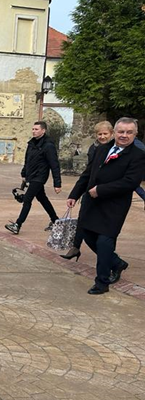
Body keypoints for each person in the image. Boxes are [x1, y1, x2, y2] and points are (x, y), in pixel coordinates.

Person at [67, 117, 145, 294]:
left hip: (114, 206)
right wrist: (74, 194)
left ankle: (102, 282)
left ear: (135, 134)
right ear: (115, 132)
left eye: (129, 132)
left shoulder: (138, 156)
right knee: (88, 236)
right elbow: (88, 174)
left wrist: (101, 190)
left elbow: (130, 182)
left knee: (104, 242)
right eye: (121, 132)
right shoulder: (102, 150)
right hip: (92, 203)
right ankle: (117, 263)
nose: (124, 135)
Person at [61, 121, 113, 261]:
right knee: (83, 221)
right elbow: (87, 173)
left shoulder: (115, 150)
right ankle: (76, 247)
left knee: (101, 234)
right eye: (99, 134)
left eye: (105, 134)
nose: (102, 137)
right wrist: (74, 194)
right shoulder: (94, 149)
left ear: (111, 134)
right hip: (90, 192)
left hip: (107, 196)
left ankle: (113, 261)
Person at [5, 121, 62, 235]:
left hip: (40, 177)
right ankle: (56, 220)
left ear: (43, 130)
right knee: (42, 198)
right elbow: (27, 160)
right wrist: (24, 173)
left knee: (27, 199)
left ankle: (17, 225)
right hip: (31, 176)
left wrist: (57, 183)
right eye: (33, 129)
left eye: (36, 129)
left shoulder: (48, 146)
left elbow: (54, 165)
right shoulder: (31, 144)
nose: (34, 131)